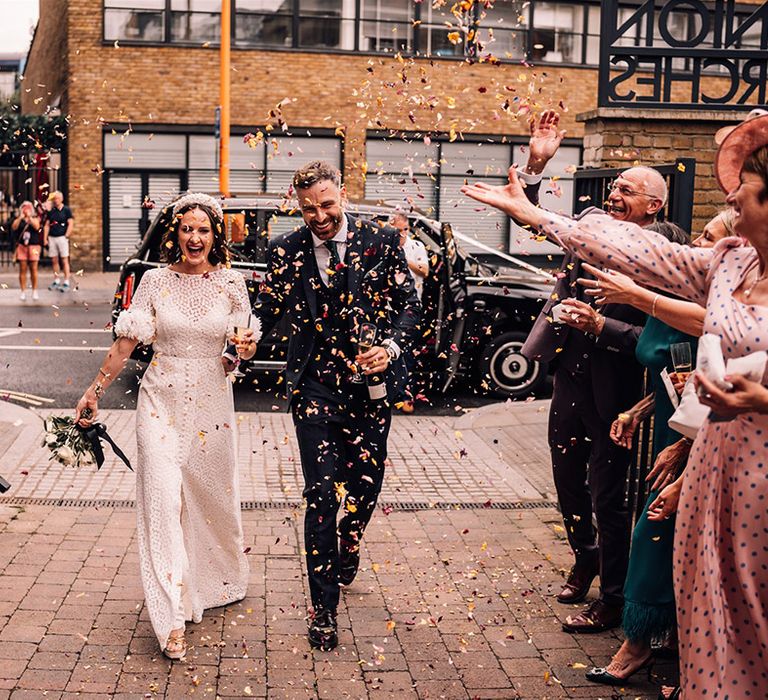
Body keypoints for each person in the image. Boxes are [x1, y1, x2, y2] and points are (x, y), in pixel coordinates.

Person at [461, 113, 768, 697]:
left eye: (744, 189)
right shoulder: (731, 263)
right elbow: (629, 245)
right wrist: (534, 211)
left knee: (756, 619)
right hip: (711, 466)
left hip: (762, 480)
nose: (729, 195)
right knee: (708, 610)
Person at [243, 160, 421, 651]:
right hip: (315, 388)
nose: (319, 216)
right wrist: (243, 338)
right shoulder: (285, 250)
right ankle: (323, 609)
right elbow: (265, 310)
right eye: (307, 209)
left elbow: (411, 304)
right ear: (296, 205)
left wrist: (390, 347)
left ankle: (351, 537)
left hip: (371, 388)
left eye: (326, 204)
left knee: (365, 486)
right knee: (321, 494)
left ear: (341, 194)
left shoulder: (381, 242)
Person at [75, 193, 251, 660]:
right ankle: (170, 615)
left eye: (204, 230)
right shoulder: (153, 282)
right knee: (160, 496)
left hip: (212, 404)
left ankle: (215, 578)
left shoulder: (233, 284)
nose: (195, 238)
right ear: (175, 233)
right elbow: (126, 343)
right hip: (160, 402)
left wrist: (241, 352)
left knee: (210, 499)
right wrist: (94, 392)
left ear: (216, 236)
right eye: (187, 229)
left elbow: (238, 351)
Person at [514, 111, 662, 633]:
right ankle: (585, 556)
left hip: (617, 394)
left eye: (625, 189)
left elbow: (658, 337)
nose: (614, 195)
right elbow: (529, 218)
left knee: (609, 497)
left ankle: (615, 598)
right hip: (570, 380)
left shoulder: (665, 254)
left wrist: (601, 325)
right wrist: (536, 164)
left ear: (654, 205)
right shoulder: (593, 229)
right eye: (614, 187)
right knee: (568, 485)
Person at [579, 220, 700, 685]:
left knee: (652, 535)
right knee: (666, 537)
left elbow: (706, 382)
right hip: (672, 431)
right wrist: (636, 411)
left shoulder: (693, 308)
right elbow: (672, 380)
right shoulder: (657, 307)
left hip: (697, 438)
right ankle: (666, 639)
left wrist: (687, 445)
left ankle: (638, 646)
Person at [390, 212, 429, 413]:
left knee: (407, 353)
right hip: (389, 308)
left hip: (411, 307)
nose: (402, 234)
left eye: (405, 229)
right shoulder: (386, 245)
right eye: (398, 230)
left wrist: (403, 259)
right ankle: (390, 394)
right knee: (389, 350)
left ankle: (407, 395)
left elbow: (424, 270)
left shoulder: (416, 247)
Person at [11, 201, 42, 301]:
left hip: (33, 246)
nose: (26, 209)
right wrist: (21, 217)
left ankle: (34, 291)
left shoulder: (35, 218)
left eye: (28, 207)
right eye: (24, 207)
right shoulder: (19, 219)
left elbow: (37, 227)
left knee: (34, 269)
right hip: (22, 246)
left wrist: (29, 217)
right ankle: (23, 291)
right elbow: (14, 227)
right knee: (22, 269)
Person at [43, 191, 74, 292]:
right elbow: (47, 225)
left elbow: (70, 223)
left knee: (64, 260)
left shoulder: (66, 210)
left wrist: (67, 235)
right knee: (54, 260)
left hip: (62, 237)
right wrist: (45, 238)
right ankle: (56, 280)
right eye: (54, 199)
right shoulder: (51, 211)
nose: (55, 200)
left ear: (61, 199)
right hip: (52, 237)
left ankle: (66, 281)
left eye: (57, 198)